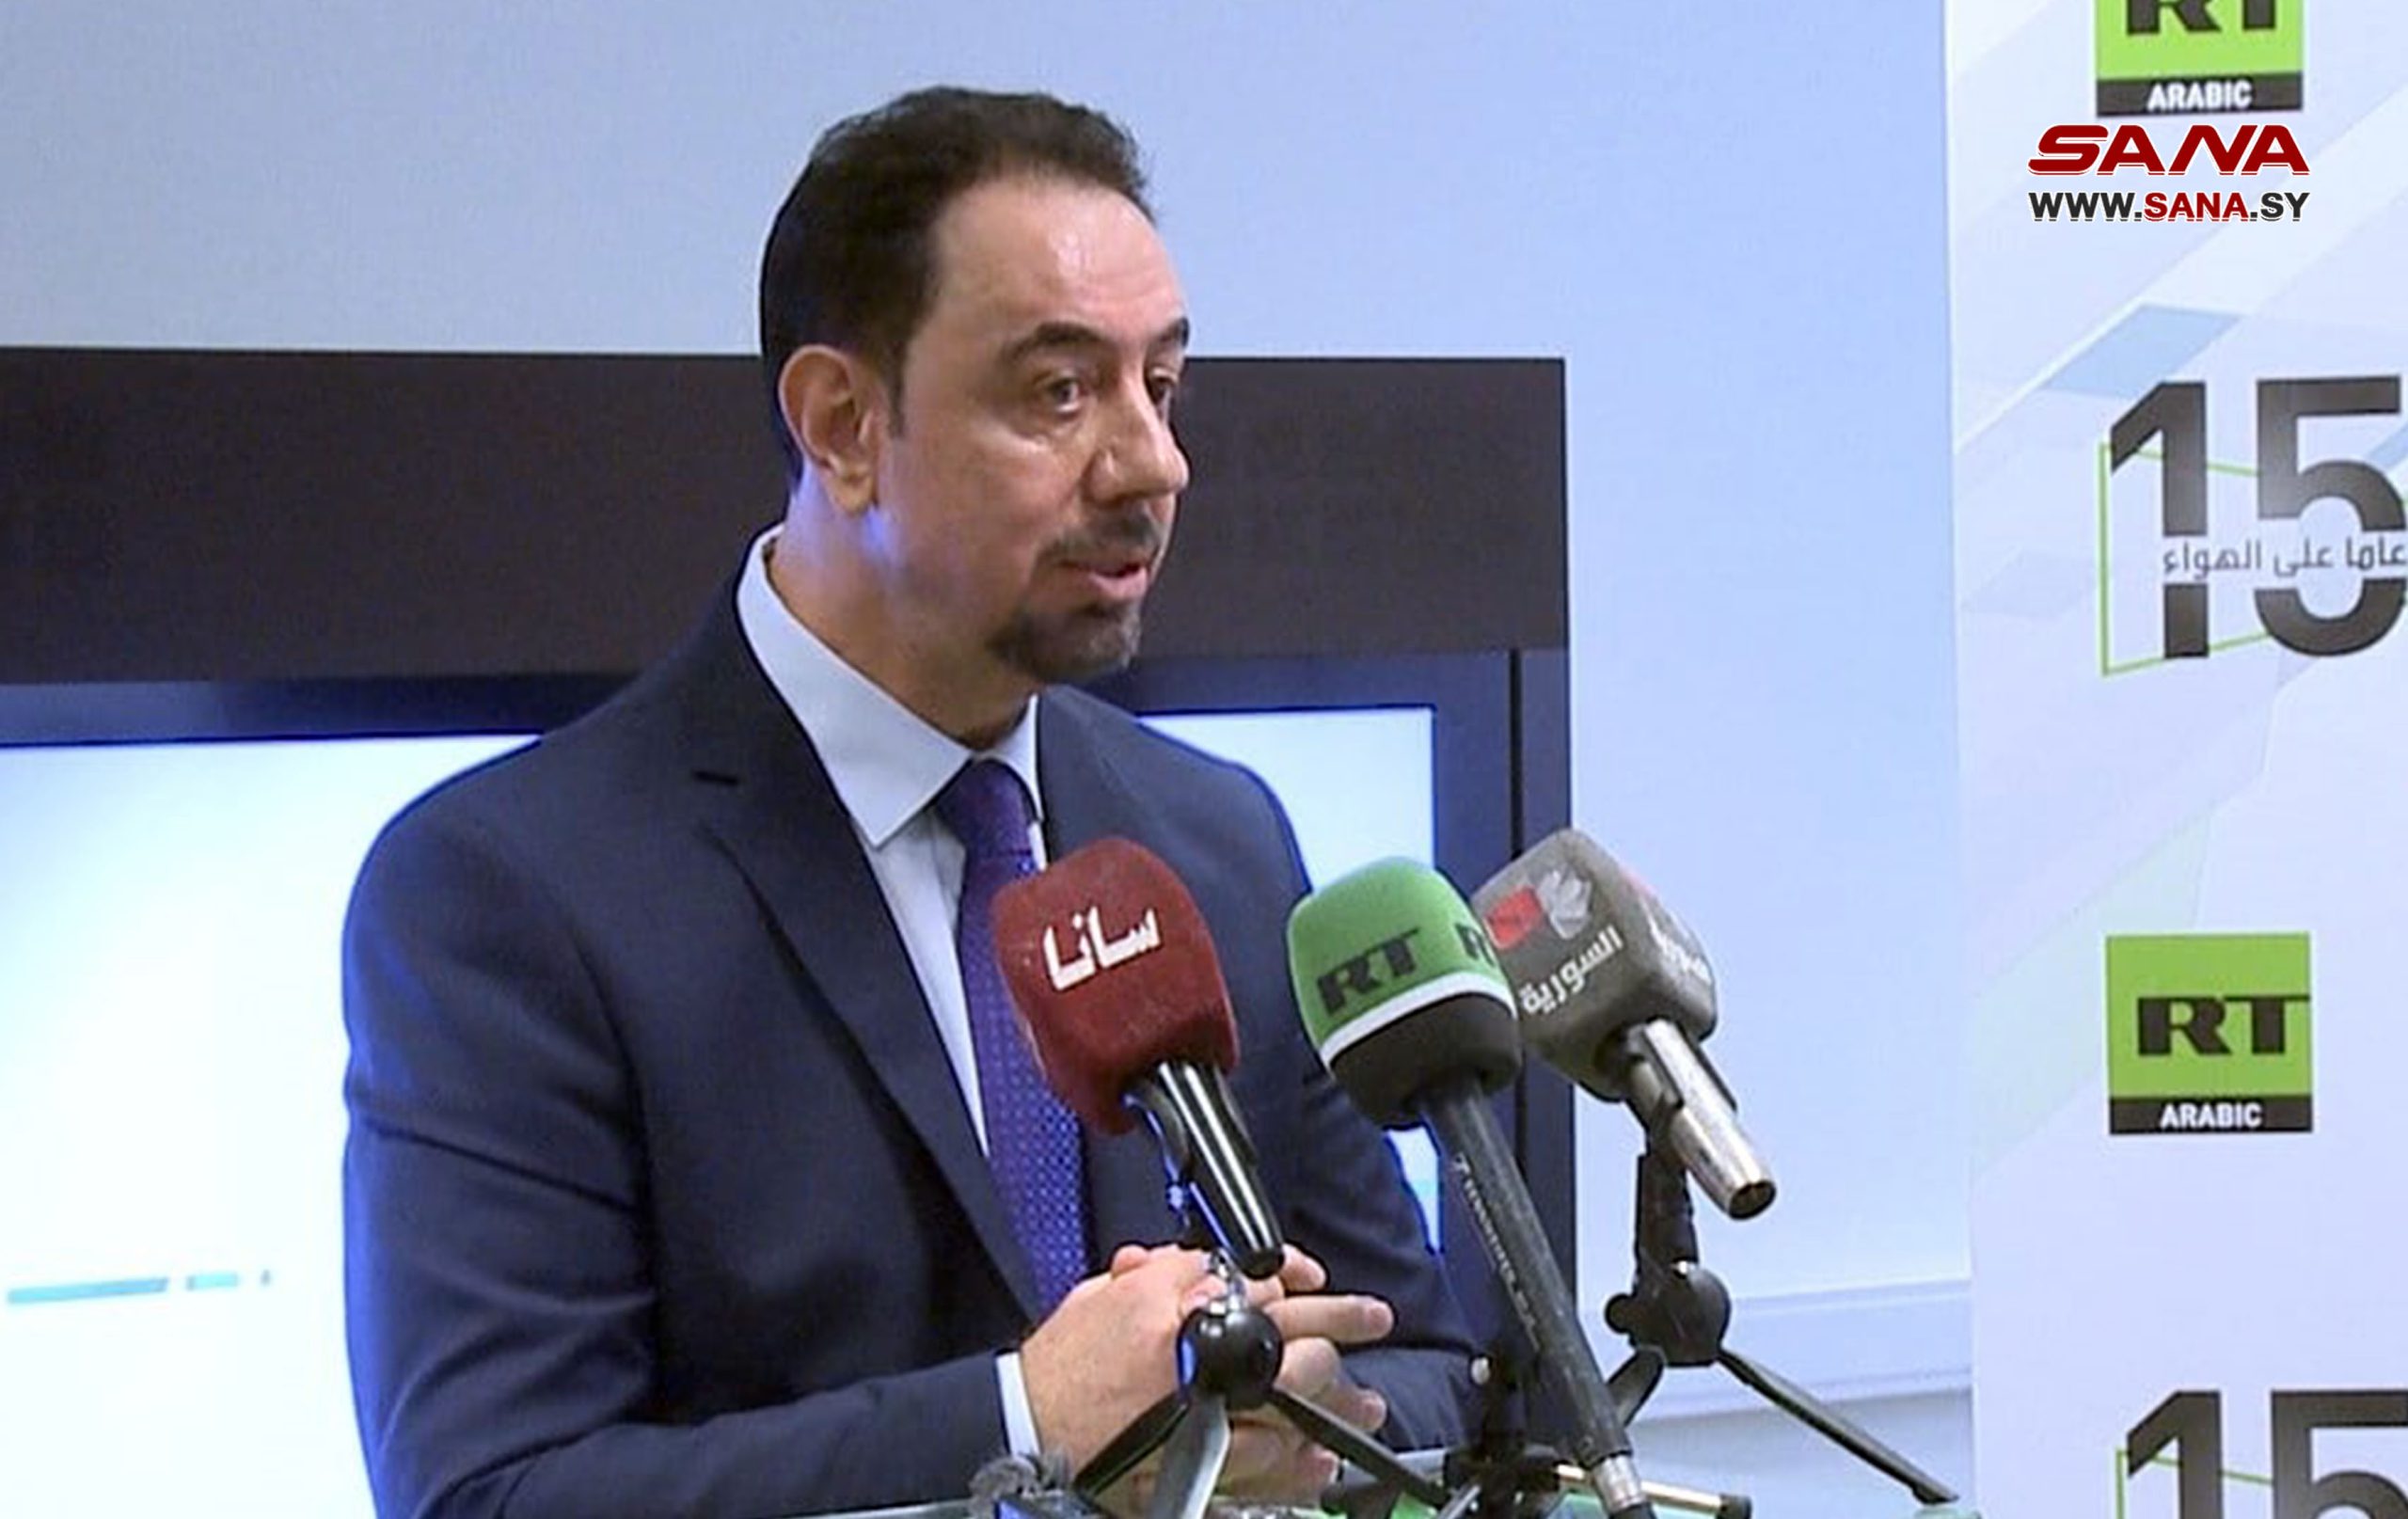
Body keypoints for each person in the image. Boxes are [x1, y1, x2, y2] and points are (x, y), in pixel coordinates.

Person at [341, 86, 1477, 1519]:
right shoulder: (510, 894)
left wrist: (1296, 1424)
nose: (1152, 462)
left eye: (1162, 385)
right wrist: (1027, 1422)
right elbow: (492, 1493)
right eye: (1060, 392)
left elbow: (1431, 1365)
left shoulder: (1216, 839)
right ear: (843, 426)